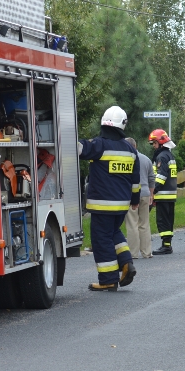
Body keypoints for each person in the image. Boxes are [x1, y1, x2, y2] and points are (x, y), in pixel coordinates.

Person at [78, 106, 140, 292]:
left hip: (102, 204)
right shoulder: (130, 149)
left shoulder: (99, 145)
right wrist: (135, 199)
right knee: (114, 233)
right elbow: (135, 181)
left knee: (101, 239)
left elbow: (80, 149)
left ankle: (108, 279)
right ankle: (126, 262)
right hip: (122, 205)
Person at [124, 137, 155, 258]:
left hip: (131, 194)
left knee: (132, 224)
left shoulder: (126, 160)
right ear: (135, 145)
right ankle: (147, 252)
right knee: (144, 224)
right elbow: (151, 178)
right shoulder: (146, 159)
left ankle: (133, 253)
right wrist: (151, 194)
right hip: (146, 193)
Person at [149, 129, 178, 255]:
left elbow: (161, 176)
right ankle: (167, 244)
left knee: (162, 220)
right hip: (170, 194)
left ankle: (166, 246)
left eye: (154, 143)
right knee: (168, 219)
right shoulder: (169, 155)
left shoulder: (162, 156)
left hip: (163, 194)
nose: (154, 146)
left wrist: (153, 191)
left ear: (161, 143)